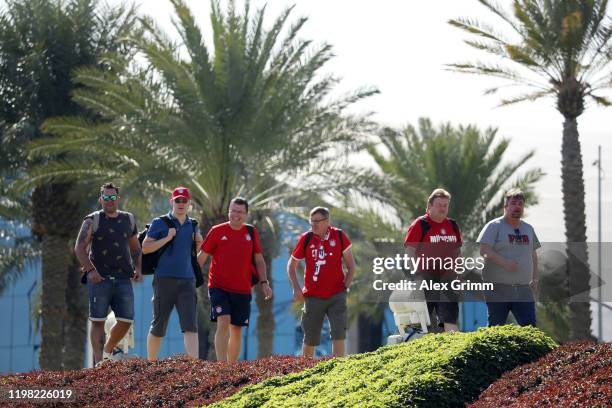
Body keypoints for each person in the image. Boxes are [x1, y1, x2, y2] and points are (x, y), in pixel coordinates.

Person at [197, 197, 273, 362]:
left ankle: (231, 368)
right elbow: (202, 257)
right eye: (233, 211)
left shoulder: (251, 232)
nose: (236, 215)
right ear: (228, 211)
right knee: (223, 321)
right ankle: (222, 366)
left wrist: (264, 282)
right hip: (218, 286)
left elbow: (259, 260)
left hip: (242, 289)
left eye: (240, 212)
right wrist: (190, 278)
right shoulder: (217, 231)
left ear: (246, 214)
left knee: (237, 329)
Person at [74, 182, 142, 365]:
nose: (109, 200)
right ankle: (98, 363)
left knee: (127, 319)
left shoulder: (129, 219)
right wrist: (91, 271)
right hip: (99, 278)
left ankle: (107, 351)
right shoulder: (92, 220)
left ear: (118, 199)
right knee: (97, 321)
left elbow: (136, 248)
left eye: (113, 197)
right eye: (106, 197)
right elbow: (79, 248)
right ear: (100, 199)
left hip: (122, 277)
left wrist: (139, 268)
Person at [142, 186, 202, 359]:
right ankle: (151, 363)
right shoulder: (160, 222)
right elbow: (145, 248)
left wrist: (199, 242)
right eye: (178, 200)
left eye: (184, 201)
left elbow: (197, 248)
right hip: (164, 280)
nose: (181, 203)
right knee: (159, 324)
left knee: (191, 325)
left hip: (188, 280)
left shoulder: (193, 224)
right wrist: (167, 238)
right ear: (172, 202)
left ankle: (194, 366)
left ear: (189, 203)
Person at [287, 207, 355, 358]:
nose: (314, 225)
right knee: (310, 338)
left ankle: (338, 370)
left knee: (339, 334)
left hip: (337, 294)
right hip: (313, 296)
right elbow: (291, 265)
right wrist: (296, 288)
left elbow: (351, 266)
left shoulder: (339, 236)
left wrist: (345, 287)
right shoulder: (306, 238)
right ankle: (306, 371)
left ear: (327, 221)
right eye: (311, 221)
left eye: (317, 221)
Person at [477, 188, 540, 327]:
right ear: (505, 206)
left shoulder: (528, 228)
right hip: (498, 288)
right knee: (495, 329)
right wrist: (505, 263)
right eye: (513, 203)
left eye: (520, 204)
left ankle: (528, 350)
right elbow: (484, 250)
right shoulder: (494, 226)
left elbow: (533, 255)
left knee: (530, 329)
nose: (517, 206)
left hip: (523, 289)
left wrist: (535, 279)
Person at [404, 188, 462, 332]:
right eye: (439, 205)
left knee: (449, 320)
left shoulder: (453, 225)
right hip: (425, 279)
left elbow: (457, 253)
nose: (443, 208)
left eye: (445, 205)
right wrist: (416, 275)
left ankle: (452, 351)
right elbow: (409, 252)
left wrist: (459, 274)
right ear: (430, 206)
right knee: (419, 324)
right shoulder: (420, 224)